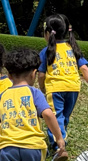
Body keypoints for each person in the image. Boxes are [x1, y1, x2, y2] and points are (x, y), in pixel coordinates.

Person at [37, 14, 88, 152]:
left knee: (55, 117)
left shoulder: (46, 51)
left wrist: (42, 88)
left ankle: (58, 146)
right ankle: (62, 138)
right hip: (73, 87)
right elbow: (84, 68)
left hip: (55, 88)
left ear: (48, 33)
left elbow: (41, 74)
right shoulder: (73, 48)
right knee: (64, 116)